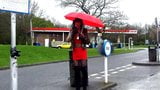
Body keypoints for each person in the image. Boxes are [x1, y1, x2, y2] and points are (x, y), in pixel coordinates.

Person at [67, 18, 90, 90]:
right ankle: (77, 87)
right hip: (75, 51)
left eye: (78, 22)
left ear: (81, 23)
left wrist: (82, 35)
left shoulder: (85, 30)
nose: (77, 24)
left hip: (82, 50)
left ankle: (84, 86)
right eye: (75, 22)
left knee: (83, 69)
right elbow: (68, 40)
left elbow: (88, 41)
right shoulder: (72, 31)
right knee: (76, 70)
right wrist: (71, 33)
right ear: (74, 23)